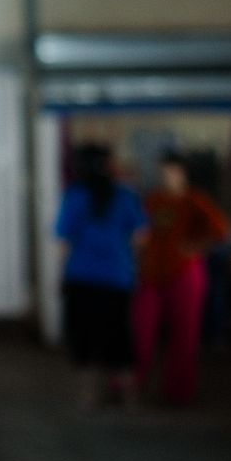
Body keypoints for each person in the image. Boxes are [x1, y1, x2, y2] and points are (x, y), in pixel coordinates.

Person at [134, 152, 230, 405]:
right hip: (151, 274)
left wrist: (196, 247)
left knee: (184, 335)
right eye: (163, 172)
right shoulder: (152, 200)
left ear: (183, 173)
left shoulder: (194, 200)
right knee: (141, 329)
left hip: (184, 274)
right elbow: (138, 231)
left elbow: (221, 231)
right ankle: (133, 383)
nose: (166, 177)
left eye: (172, 172)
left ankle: (179, 391)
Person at [55, 144, 146, 408]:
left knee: (84, 337)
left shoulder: (74, 196)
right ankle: (129, 396)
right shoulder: (126, 196)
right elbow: (141, 236)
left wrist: (62, 274)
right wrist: (129, 261)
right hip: (117, 277)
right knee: (118, 336)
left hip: (81, 277)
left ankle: (88, 397)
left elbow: (63, 241)